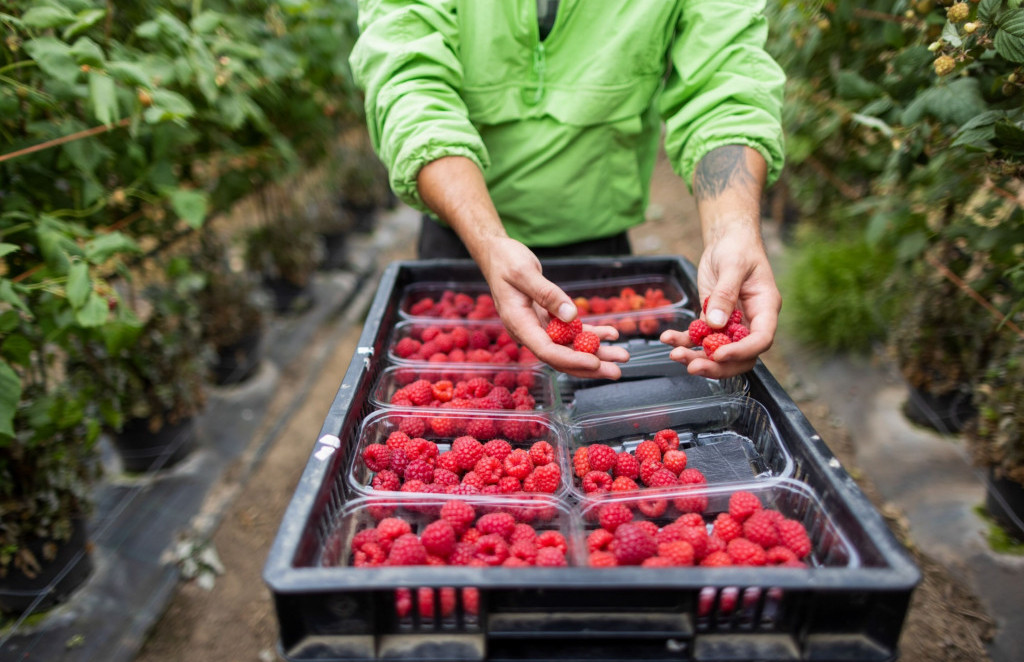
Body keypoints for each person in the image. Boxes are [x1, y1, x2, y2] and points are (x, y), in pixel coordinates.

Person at [349, 0, 785, 381]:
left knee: (602, 397)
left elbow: (726, 81)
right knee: (482, 387)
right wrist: (489, 241)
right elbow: (410, 83)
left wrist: (733, 230)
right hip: (465, 238)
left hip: (600, 249)